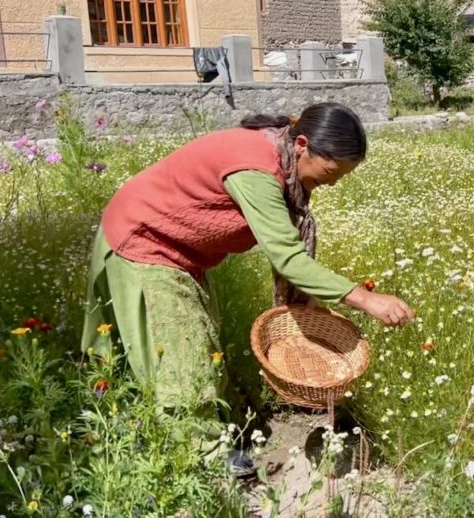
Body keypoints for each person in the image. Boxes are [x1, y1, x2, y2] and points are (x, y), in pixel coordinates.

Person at [80, 102, 414, 476]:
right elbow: (289, 258)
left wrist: (307, 305)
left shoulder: (286, 163)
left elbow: (285, 243)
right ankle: (198, 459)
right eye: (328, 175)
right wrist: (366, 299)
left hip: (176, 250)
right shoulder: (256, 168)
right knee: (180, 354)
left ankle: (148, 430)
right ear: (301, 143)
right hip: (142, 242)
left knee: (198, 343)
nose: (331, 184)